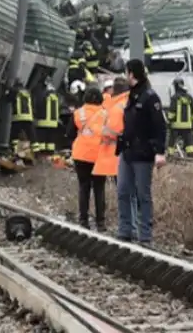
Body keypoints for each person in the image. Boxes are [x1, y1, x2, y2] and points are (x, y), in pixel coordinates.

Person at [116, 59, 167, 245]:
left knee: (142, 195)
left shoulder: (150, 97)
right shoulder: (133, 95)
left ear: (131, 74)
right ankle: (125, 231)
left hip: (143, 154)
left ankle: (144, 235)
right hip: (127, 152)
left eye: (126, 72)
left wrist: (160, 152)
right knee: (122, 191)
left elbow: (160, 126)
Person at [93, 77, 130, 228]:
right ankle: (130, 225)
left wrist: (102, 131)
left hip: (111, 154)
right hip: (124, 154)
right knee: (126, 190)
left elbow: (109, 131)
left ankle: (104, 222)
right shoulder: (130, 103)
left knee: (102, 188)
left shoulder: (115, 107)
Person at [68, 87, 105, 230]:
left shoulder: (78, 113)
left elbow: (70, 133)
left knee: (84, 187)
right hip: (99, 155)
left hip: (81, 155)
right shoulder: (105, 114)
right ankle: (100, 223)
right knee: (99, 188)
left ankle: (83, 220)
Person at [166, 78, 193, 157]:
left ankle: (170, 155)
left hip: (176, 125)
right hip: (187, 125)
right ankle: (191, 155)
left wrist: (169, 120)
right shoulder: (189, 97)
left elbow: (172, 112)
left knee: (172, 141)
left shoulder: (174, 97)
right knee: (189, 141)